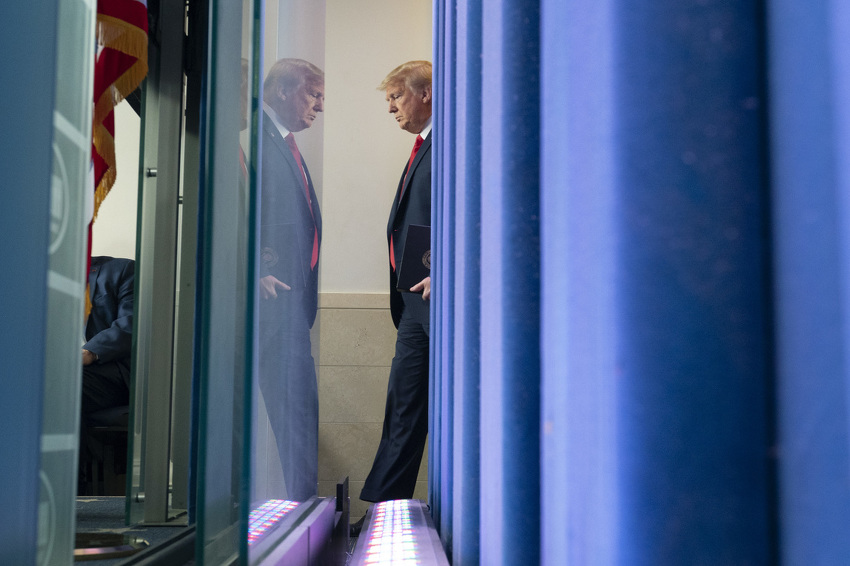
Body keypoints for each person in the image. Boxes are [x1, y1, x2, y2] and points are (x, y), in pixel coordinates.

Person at [358, 61, 433, 516]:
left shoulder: (452, 142)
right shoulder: (424, 146)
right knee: (403, 405)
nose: (391, 109)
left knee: (418, 408)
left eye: (396, 97)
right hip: (413, 303)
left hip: (439, 298)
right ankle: (383, 509)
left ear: (425, 93)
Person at [257, 58, 324, 501]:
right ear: (282, 90)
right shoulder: (253, 141)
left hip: (290, 303)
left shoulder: (284, 143)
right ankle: (302, 510)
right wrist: (254, 267)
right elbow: (231, 209)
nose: (320, 105)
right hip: (269, 303)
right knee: (295, 410)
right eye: (313, 94)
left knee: (299, 410)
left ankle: (303, 507)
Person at [79, 255, 134, 493]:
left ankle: (72, 485)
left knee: (63, 386)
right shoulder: (38, 278)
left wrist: (90, 352)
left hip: (108, 371)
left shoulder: (122, 270)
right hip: (52, 368)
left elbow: (131, 324)